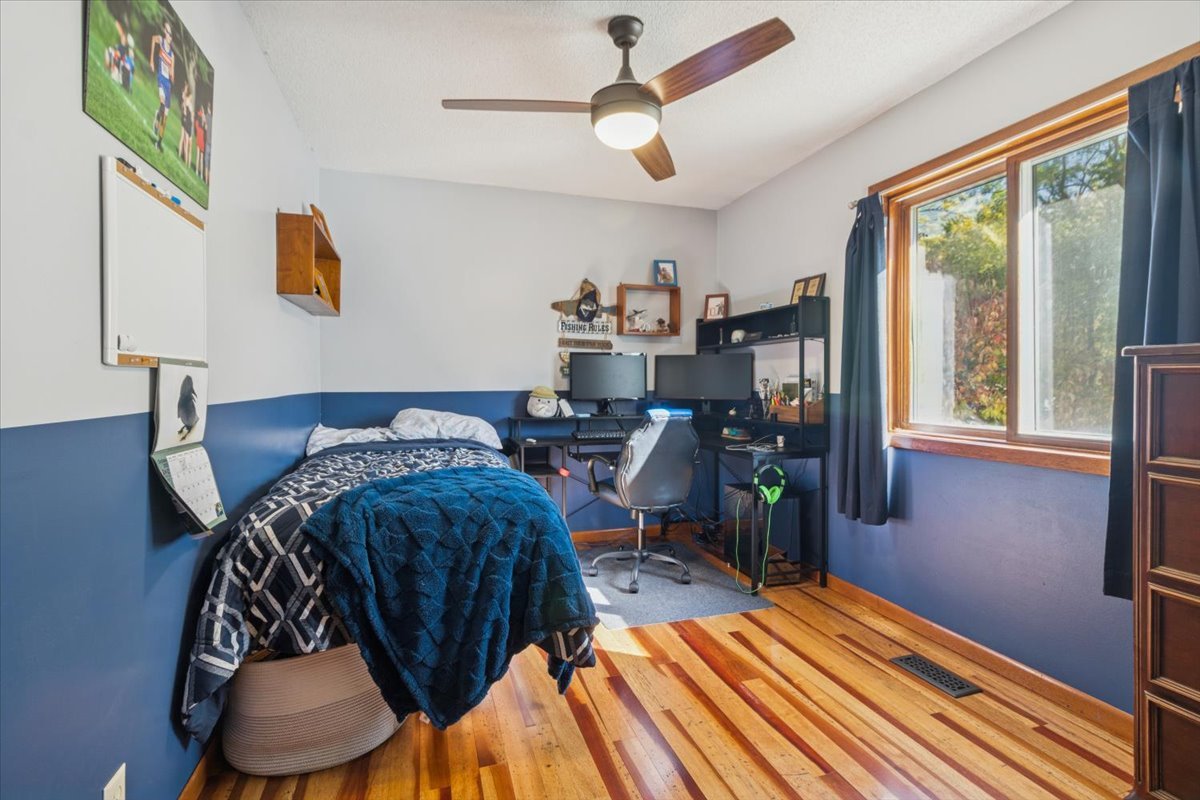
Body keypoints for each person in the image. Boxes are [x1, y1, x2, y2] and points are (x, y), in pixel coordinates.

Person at [150, 20, 175, 152]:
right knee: (161, 102)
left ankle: (159, 142)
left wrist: (172, 75)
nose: (169, 35)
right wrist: (151, 60)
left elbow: (172, 72)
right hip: (160, 78)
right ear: (165, 32)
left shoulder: (172, 55)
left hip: (168, 85)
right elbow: (153, 40)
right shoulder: (160, 40)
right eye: (167, 32)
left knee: (165, 117)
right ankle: (157, 116)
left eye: (170, 33)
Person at [178, 82, 194, 167]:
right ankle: (186, 163)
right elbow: (190, 114)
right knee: (185, 141)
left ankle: (184, 161)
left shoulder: (186, 100)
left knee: (184, 141)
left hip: (186, 121)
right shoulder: (187, 101)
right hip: (186, 121)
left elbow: (184, 101)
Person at [193, 104, 206, 180]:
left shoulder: (199, 115)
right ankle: (200, 173)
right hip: (201, 137)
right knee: (200, 157)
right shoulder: (202, 116)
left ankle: (198, 172)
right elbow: (204, 126)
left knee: (199, 156)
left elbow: (196, 124)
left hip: (200, 136)